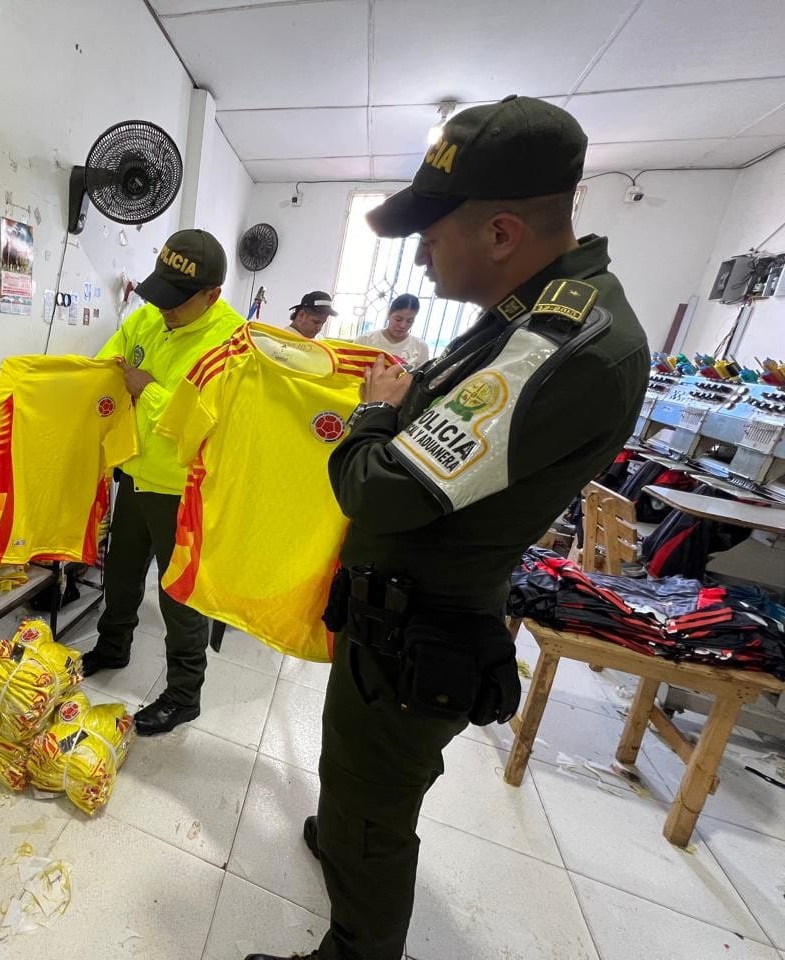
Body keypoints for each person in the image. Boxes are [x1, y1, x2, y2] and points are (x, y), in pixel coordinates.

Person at [244, 95, 648, 960]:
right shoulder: (526, 315)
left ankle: (358, 942)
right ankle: (349, 839)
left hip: (417, 630)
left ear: (501, 232)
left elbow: (380, 491)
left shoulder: (563, 342)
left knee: (373, 807)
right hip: (395, 615)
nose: (420, 259)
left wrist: (374, 415)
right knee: (356, 780)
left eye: (432, 236)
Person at [83, 228, 244, 735]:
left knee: (179, 596)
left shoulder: (233, 344)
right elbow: (110, 362)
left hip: (184, 490)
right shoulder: (151, 316)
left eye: (178, 300)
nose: (164, 309)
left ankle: (183, 695)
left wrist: (147, 390)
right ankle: (113, 648)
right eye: (161, 295)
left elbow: (204, 422)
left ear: (212, 295)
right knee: (123, 571)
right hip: (134, 471)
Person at [354, 294, 430, 369]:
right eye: (398, 319)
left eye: (409, 321)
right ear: (388, 315)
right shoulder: (364, 341)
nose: (403, 325)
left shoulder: (420, 347)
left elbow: (420, 379)